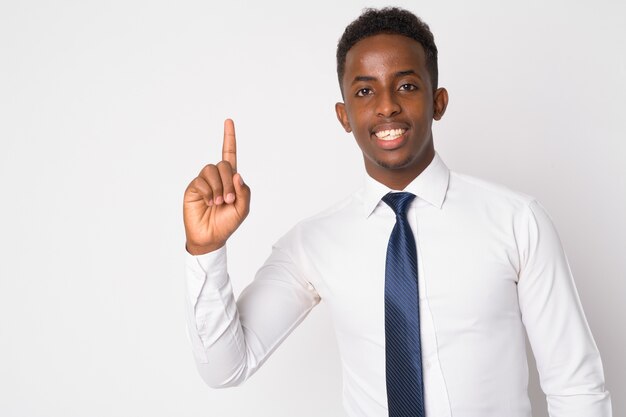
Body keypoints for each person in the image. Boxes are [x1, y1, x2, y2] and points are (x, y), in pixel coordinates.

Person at [182, 7, 612, 417]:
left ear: (438, 101)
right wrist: (206, 248)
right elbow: (225, 369)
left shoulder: (517, 221)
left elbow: (576, 386)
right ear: (344, 115)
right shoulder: (311, 243)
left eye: (406, 85)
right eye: (365, 91)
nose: (386, 106)